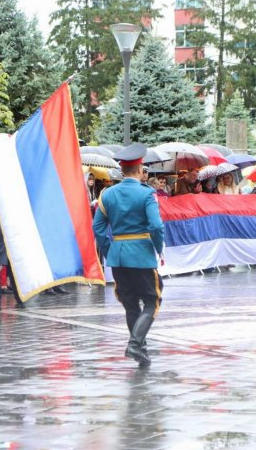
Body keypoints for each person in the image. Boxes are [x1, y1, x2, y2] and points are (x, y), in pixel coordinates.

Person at [93, 143, 165, 367]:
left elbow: (98, 229)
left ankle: (140, 349)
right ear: (140, 168)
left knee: (131, 304)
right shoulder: (146, 194)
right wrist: (159, 248)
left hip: (118, 258)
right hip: (141, 255)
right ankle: (135, 343)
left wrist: (110, 251)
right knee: (153, 301)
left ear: (122, 170)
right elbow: (156, 226)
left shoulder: (107, 194)